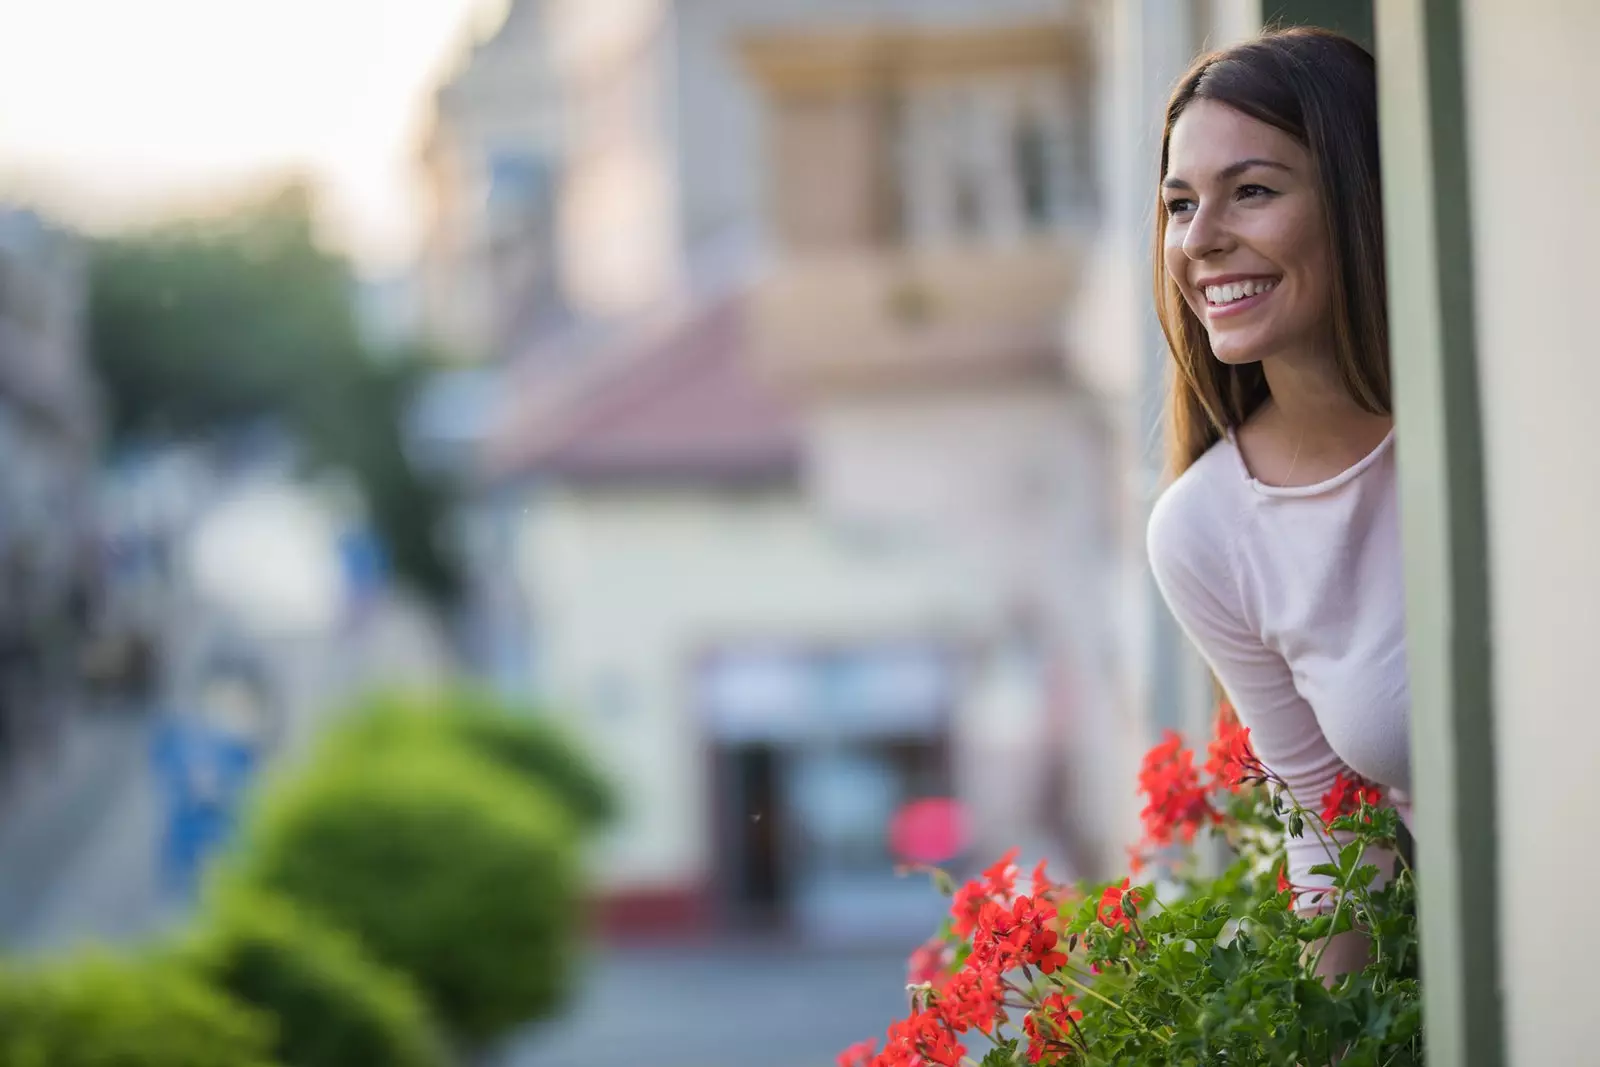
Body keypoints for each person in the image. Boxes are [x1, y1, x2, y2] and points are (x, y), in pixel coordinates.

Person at [1143, 28, 1406, 974]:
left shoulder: (1499, 414)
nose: (1202, 237)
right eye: (1180, 203)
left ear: (1358, 195)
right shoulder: (1205, 529)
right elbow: (1333, 834)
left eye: (1251, 190)